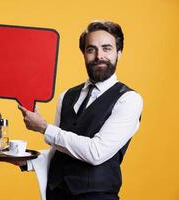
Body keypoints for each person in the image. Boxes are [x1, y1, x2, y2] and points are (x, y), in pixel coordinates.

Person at [14, 20, 143, 200]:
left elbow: (96, 153)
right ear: (83, 54)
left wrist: (44, 128)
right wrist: (25, 160)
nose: (99, 56)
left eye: (107, 48)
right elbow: (58, 151)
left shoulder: (129, 100)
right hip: (57, 195)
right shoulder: (66, 96)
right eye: (91, 49)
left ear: (119, 53)